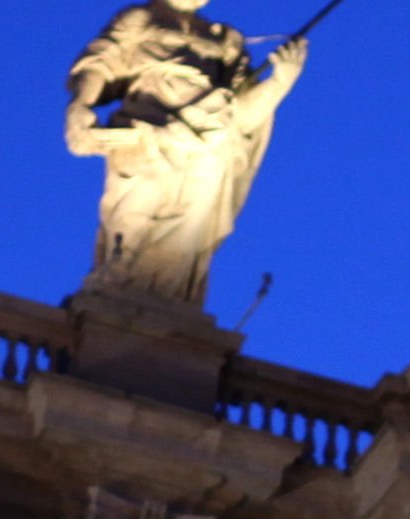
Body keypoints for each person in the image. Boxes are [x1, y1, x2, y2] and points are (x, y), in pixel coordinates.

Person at [65, 4, 307, 304]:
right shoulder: (141, 19)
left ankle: (169, 309)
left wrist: (280, 82)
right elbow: (99, 64)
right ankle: (118, 297)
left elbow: (240, 117)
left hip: (209, 143)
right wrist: (79, 106)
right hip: (145, 132)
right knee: (134, 215)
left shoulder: (227, 40)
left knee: (186, 236)